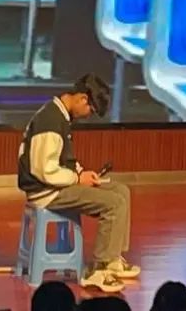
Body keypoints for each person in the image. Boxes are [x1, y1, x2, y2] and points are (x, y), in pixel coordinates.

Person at [17, 73, 138, 294]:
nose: (88, 114)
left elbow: (65, 161)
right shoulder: (50, 121)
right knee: (114, 203)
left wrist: (83, 173)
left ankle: (112, 259)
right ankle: (99, 269)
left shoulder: (60, 116)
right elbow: (44, 170)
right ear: (83, 99)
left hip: (58, 186)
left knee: (121, 191)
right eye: (91, 108)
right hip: (47, 192)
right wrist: (76, 179)